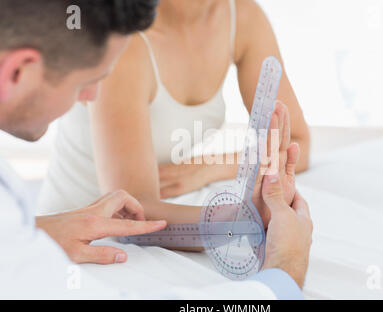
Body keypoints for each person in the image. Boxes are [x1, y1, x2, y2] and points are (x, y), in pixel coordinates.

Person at [0, 0, 312, 299]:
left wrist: (38, 230)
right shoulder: (128, 46)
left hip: (72, 227)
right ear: (17, 72)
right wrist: (285, 268)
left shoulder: (240, 16)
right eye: (88, 80)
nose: (90, 97)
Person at [37, 0, 311, 217]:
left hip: (150, 226)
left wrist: (211, 167)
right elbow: (132, 211)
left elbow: (297, 147)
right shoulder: (126, 40)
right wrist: (244, 222)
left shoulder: (243, 17)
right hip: (74, 237)